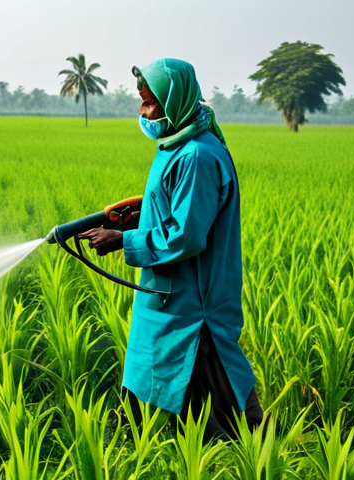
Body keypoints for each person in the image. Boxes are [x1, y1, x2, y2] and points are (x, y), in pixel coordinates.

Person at [78, 58, 263, 439]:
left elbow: (186, 236)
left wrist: (122, 240)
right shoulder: (176, 147)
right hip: (167, 299)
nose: (143, 112)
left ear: (174, 101)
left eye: (150, 103)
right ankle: (148, 446)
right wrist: (134, 219)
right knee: (156, 380)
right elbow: (170, 211)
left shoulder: (197, 155)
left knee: (226, 395)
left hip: (193, 305)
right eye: (142, 102)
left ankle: (267, 454)